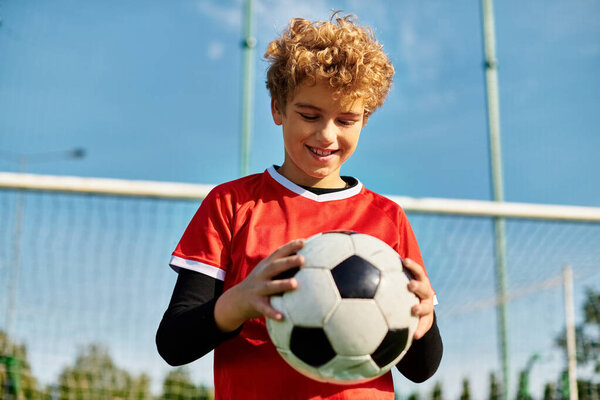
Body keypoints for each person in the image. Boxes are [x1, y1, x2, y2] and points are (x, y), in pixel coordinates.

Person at [156, 13, 442, 400]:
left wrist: (423, 320)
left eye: (346, 120)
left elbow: (422, 369)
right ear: (278, 108)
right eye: (309, 115)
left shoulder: (387, 219)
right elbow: (173, 343)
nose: (327, 134)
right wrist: (239, 302)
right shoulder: (231, 204)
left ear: (364, 121)